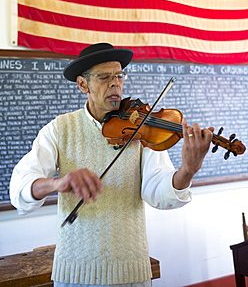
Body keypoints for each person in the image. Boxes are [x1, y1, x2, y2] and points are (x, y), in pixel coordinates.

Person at [10, 43, 214, 287]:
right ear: (83, 84)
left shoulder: (143, 128)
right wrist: (58, 183)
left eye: (119, 76)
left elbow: (159, 193)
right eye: (104, 77)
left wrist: (187, 171)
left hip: (130, 271)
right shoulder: (60, 129)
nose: (115, 84)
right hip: (75, 271)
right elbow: (20, 188)